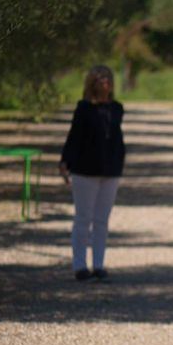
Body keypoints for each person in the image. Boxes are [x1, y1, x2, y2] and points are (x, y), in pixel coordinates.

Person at [59, 65, 125, 281]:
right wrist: (65, 161)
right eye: (101, 78)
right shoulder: (84, 108)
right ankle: (79, 266)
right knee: (83, 219)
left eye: (108, 77)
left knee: (101, 220)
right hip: (84, 170)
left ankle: (98, 265)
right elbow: (74, 137)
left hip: (110, 171)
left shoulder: (117, 108)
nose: (106, 81)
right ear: (92, 83)